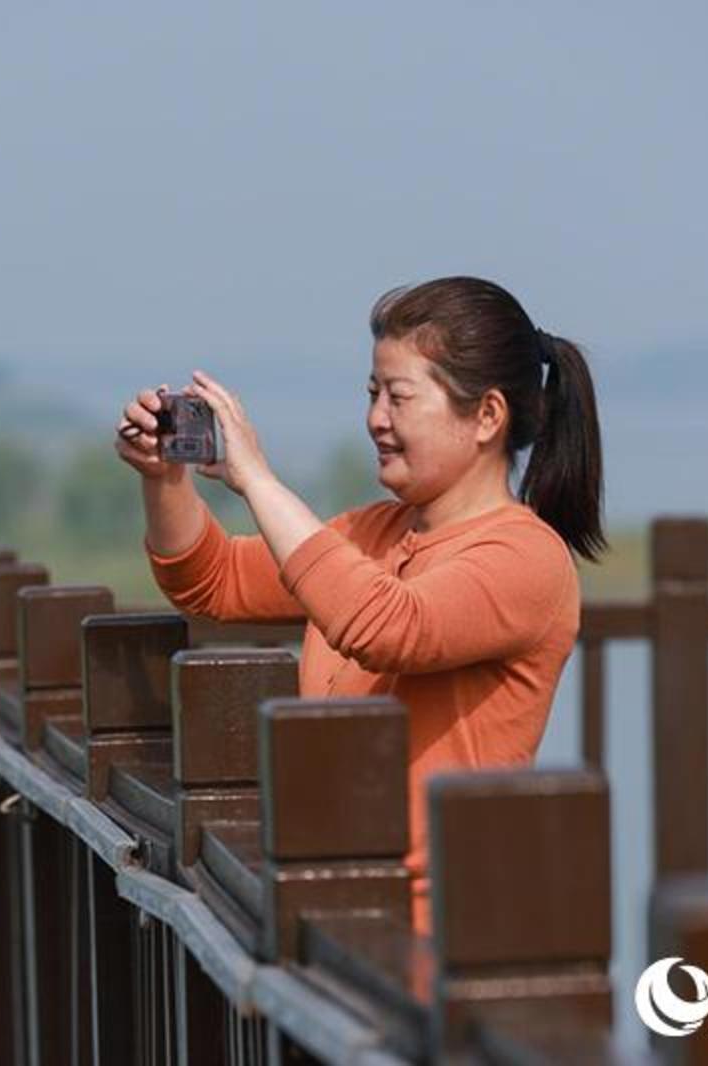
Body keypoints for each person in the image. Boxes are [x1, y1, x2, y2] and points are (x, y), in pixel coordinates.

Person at [113, 276, 606, 934]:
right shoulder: (373, 531)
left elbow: (388, 626)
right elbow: (215, 580)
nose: (376, 419)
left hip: (437, 931)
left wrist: (255, 478)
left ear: (488, 416)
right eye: (372, 394)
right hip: (334, 912)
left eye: (398, 397)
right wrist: (164, 478)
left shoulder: (525, 558)